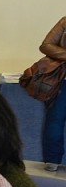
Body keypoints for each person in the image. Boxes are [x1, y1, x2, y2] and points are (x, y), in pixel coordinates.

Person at [38, 16, 66, 172]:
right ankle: (52, 159)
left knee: (55, 119)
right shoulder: (65, 21)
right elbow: (46, 46)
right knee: (55, 119)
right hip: (63, 81)